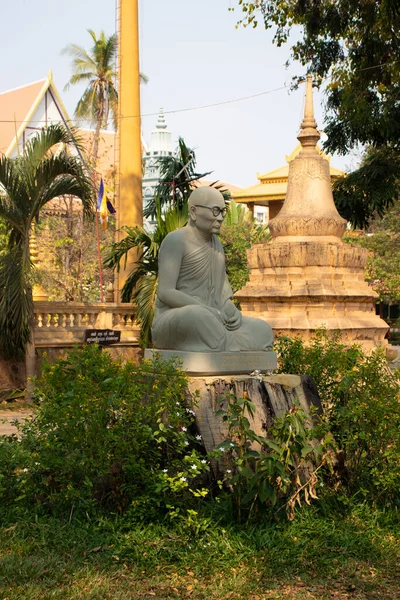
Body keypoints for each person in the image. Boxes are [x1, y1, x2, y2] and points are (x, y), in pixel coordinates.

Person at [152, 186, 274, 352]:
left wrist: (228, 308)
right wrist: (206, 309)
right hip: (179, 317)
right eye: (215, 211)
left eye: (223, 211)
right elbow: (166, 292)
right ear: (194, 212)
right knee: (198, 317)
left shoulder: (216, 245)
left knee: (262, 329)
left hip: (214, 318)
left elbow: (221, 292)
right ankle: (230, 344)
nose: (220, 218)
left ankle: (225, 343)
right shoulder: (176, 240)